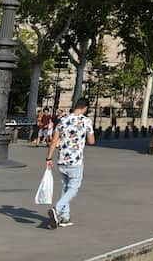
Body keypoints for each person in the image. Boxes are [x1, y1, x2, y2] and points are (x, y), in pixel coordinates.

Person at [45, 97, 95, 228]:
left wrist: (48, 158)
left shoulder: (63, 120)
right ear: (85, 108)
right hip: (76, 161)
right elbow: (92, 141)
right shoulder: (86, 121)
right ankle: (57, 209)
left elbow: (54, 141)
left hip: (61, 160)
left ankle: (65, 217)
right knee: (73, 188)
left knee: (65, 188)